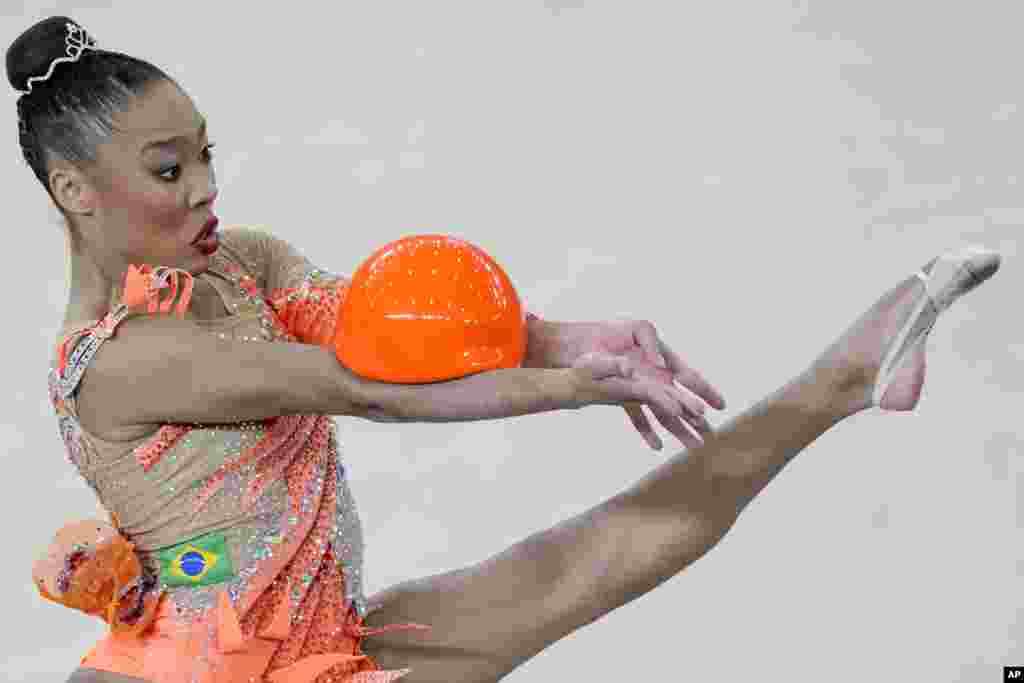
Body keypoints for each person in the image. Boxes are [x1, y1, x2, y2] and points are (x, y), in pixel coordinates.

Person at [10, 16, 1000, 683]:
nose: (202, 187)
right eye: (167, 168)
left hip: (314, 645)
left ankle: (849, 371)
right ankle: (843, 375)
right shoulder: (128, 359)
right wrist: (570, 385)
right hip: (204, 671)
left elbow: (393, 330)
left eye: (205, 153)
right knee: (590, 559)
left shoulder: (246, 265)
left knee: (600, 553)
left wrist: (566, 334)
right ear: (75, 191)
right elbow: (370, 386)